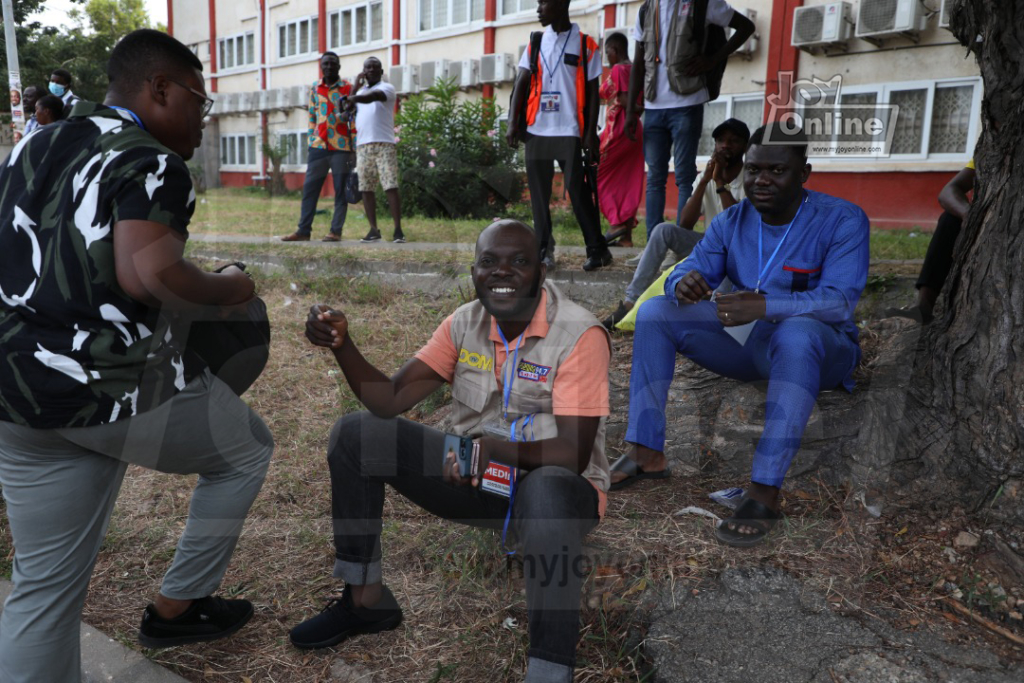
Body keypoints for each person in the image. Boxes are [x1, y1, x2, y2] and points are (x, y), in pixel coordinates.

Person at [0, 30, 274, 682]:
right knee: (246, 450)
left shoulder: (31, 144)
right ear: (158, 88)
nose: (202, 123)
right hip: (111, 388)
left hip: (17, 394)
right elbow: (146, 272)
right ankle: (178, 607)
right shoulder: (151, 159)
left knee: (42, 589)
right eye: (199, 103)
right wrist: (231, 287)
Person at [291, 219, 611, 683]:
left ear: (542, 271)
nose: (502, 272)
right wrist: (343, 345)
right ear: (474, 271)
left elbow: (572, 455)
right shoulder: (464, 323)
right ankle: (365, 602)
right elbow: (390, 398)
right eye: (489, 262)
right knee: (357, 434)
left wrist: (493, 452)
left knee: (548, 488)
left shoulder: (579, 333)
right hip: (476, 479)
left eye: (519, 261)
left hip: (558, 496)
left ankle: (549, 669)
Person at [614, 125, 868, 548]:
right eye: (753, 170)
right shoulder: (732, 220)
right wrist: (683, 282)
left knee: (799, 332)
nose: (760, 180)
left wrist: (767, 306)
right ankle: (646, 451)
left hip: (821, 351)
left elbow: (840, 301)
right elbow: (690, 265)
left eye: (776, 170)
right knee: (658, 311)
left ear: (803, 172)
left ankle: (764, 490)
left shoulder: (842, 219)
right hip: (751, 346)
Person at [604, 118, 749, 330]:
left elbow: (737, 227)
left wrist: (719, 183)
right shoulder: (706, 176)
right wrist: (705, 181)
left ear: (745, 147)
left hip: (735, 252)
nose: (725, 145)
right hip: (708, 245)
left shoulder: (750, 178)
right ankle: (630, 301)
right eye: (720, 140)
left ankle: (706, 324)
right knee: (663, 230)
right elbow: (685, 223)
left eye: (733, 141)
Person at [626, 0, 754, 237]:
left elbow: (746, 27)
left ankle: (680, 240)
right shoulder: (646, 9)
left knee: (685, 175)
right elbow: (638, 61)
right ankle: (656, 243)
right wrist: (632, 110)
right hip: (653, 106)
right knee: (654, 176)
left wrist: (713, 60)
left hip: (687, 102)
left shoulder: (702, 3)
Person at [506, 0, 613, 272]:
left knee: (578, 192)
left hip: (569, 130)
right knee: (539, 197)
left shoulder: (585, 43)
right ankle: (543, 251)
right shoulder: (536, 42)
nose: (539, 9)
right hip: (536, 130)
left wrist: (590, 133)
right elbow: (520, 83)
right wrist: (511, 123)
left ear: (562, 4)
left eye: (544, 3)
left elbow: (592, 91)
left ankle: (597, 250)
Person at [886, 160, 976, 324]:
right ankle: (923, 309)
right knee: (949, 219)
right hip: (990, 230)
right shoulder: (998, 149)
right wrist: (971, 217)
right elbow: (948, 192)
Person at [282, 52, 356, 243]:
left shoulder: (348, 88)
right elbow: (312, 117)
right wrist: (311, 140)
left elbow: (354, 119)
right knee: (310, 190)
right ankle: (303, 231)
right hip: (318, 147)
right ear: (321, 67)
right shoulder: (315, 88)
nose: (329, 67)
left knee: (340, 191)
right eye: (325, 64)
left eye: (332, 64)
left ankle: (335, 232)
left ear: (338, 66)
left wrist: (354, 148)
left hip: (341, 147)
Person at [347, 56, 404, 244]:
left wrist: (354, 96)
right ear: (363, 71)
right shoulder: (361, 90)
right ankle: (373, 230)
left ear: (381, 71)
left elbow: (372, 97)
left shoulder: (386, 88)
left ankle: (398, 230)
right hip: (363, 145)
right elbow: (348, 106)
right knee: (365, 187)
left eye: (375, 67)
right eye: (367, 67)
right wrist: (355, 85)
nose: (371, 70)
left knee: (390, 185)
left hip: (384, 144)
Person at [597, 32, 643, 248]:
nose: (607, 57)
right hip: (633, 129)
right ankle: (625, 238)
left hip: (619, 128)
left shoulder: (619, 69)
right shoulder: (635, 69)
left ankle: (616, 224)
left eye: (608, 52)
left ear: (615, 49)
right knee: (625, 180)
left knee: (597, 176)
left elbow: (625, 99)